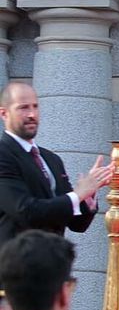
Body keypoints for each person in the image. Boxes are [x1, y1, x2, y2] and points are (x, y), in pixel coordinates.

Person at [0, 81, 113, 245]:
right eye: (23, 108)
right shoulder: (4, 155)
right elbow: (25, 211)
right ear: (4, 114)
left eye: (35, 106)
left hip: (54, 264)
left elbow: (77, 224)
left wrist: (88, 197)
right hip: (16, 265)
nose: (32, 114)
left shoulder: (51, 159)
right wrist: (78, 194)